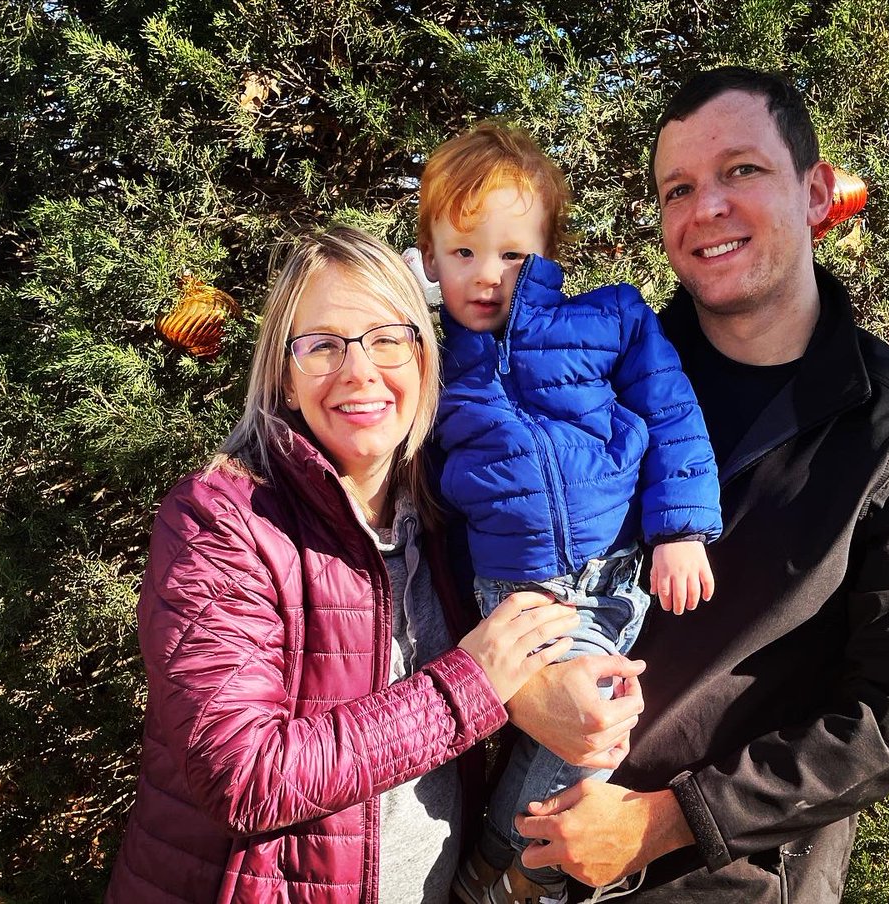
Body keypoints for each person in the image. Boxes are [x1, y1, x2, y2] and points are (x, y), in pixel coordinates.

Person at [505, 67, 889, 902]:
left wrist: (665, 820)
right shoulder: (587, 385)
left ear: (815, 193)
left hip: (722, 879)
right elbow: (469, 563)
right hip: (509, 850)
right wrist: (523, 688)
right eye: (679, 188)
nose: (706, 207)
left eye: (741, 170)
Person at [105, 226, 582, 904]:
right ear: (286, 380)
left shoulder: (448, 518)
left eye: (388, 339)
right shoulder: (221, 523)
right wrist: (467, 687)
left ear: (424, 361)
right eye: (323, 345)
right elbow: (243, 777)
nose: (359, 371)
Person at [414, 122, 723, 904]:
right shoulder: (430, 357)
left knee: (585, 723)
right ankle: (523, 873)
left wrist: (681, 528)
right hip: (517, 590)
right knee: (591, 719)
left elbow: (673, 414)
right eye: (463, 252)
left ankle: (502, 863)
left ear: (550, 250)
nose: (488, 274)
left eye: (513, 253)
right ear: (430, 258)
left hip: (615, 567)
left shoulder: (609, 318)